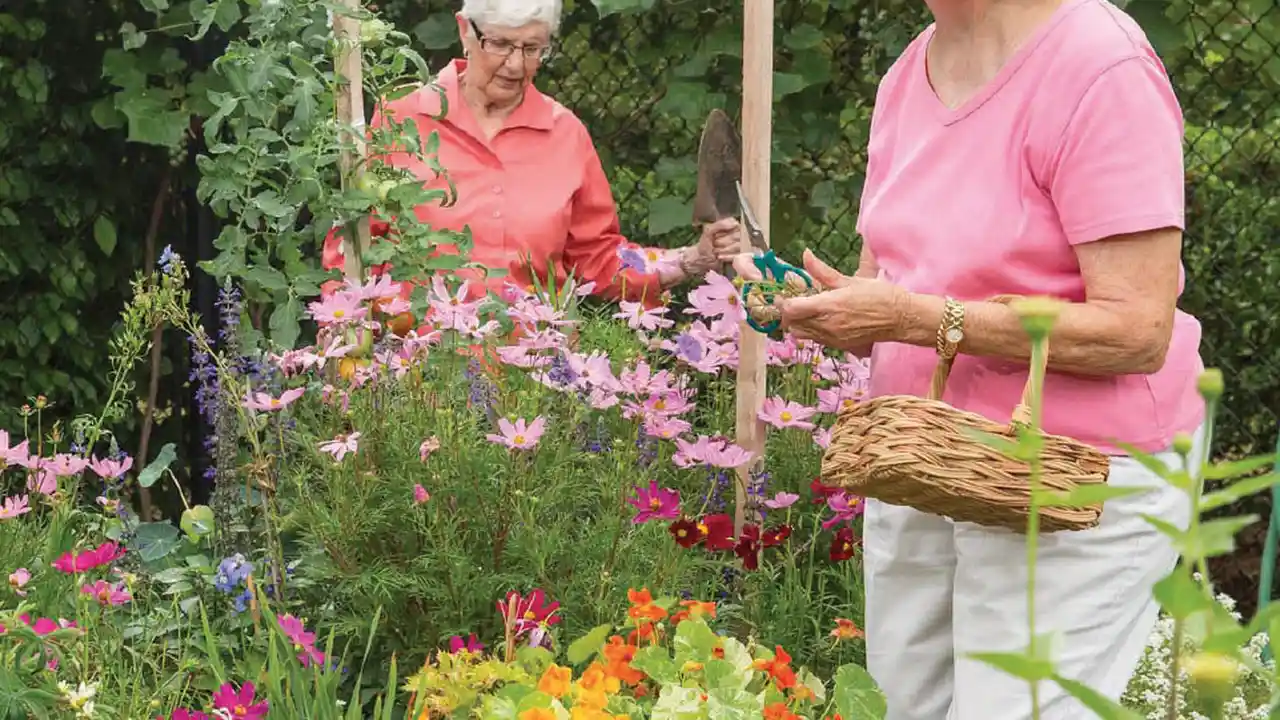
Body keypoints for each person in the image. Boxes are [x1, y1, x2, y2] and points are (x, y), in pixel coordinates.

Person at [735, 0, 1205, 717]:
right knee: (902, 706)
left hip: (1069, 474)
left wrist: (918, 318)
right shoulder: (907, 72)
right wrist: (831, 307)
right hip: (924, 459)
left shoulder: (1101, 65)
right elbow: (892, 283)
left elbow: (1138, 330)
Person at [322, 0, 740, 305]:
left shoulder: (566, 135)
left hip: (535, 379)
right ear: (465, 30)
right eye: (500, 44)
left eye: (533, 49)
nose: (516, 65)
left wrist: (690, 259)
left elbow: (598, 261)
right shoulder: (401, 121)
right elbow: (352, 248)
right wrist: (340, 330)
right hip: (416, 375)